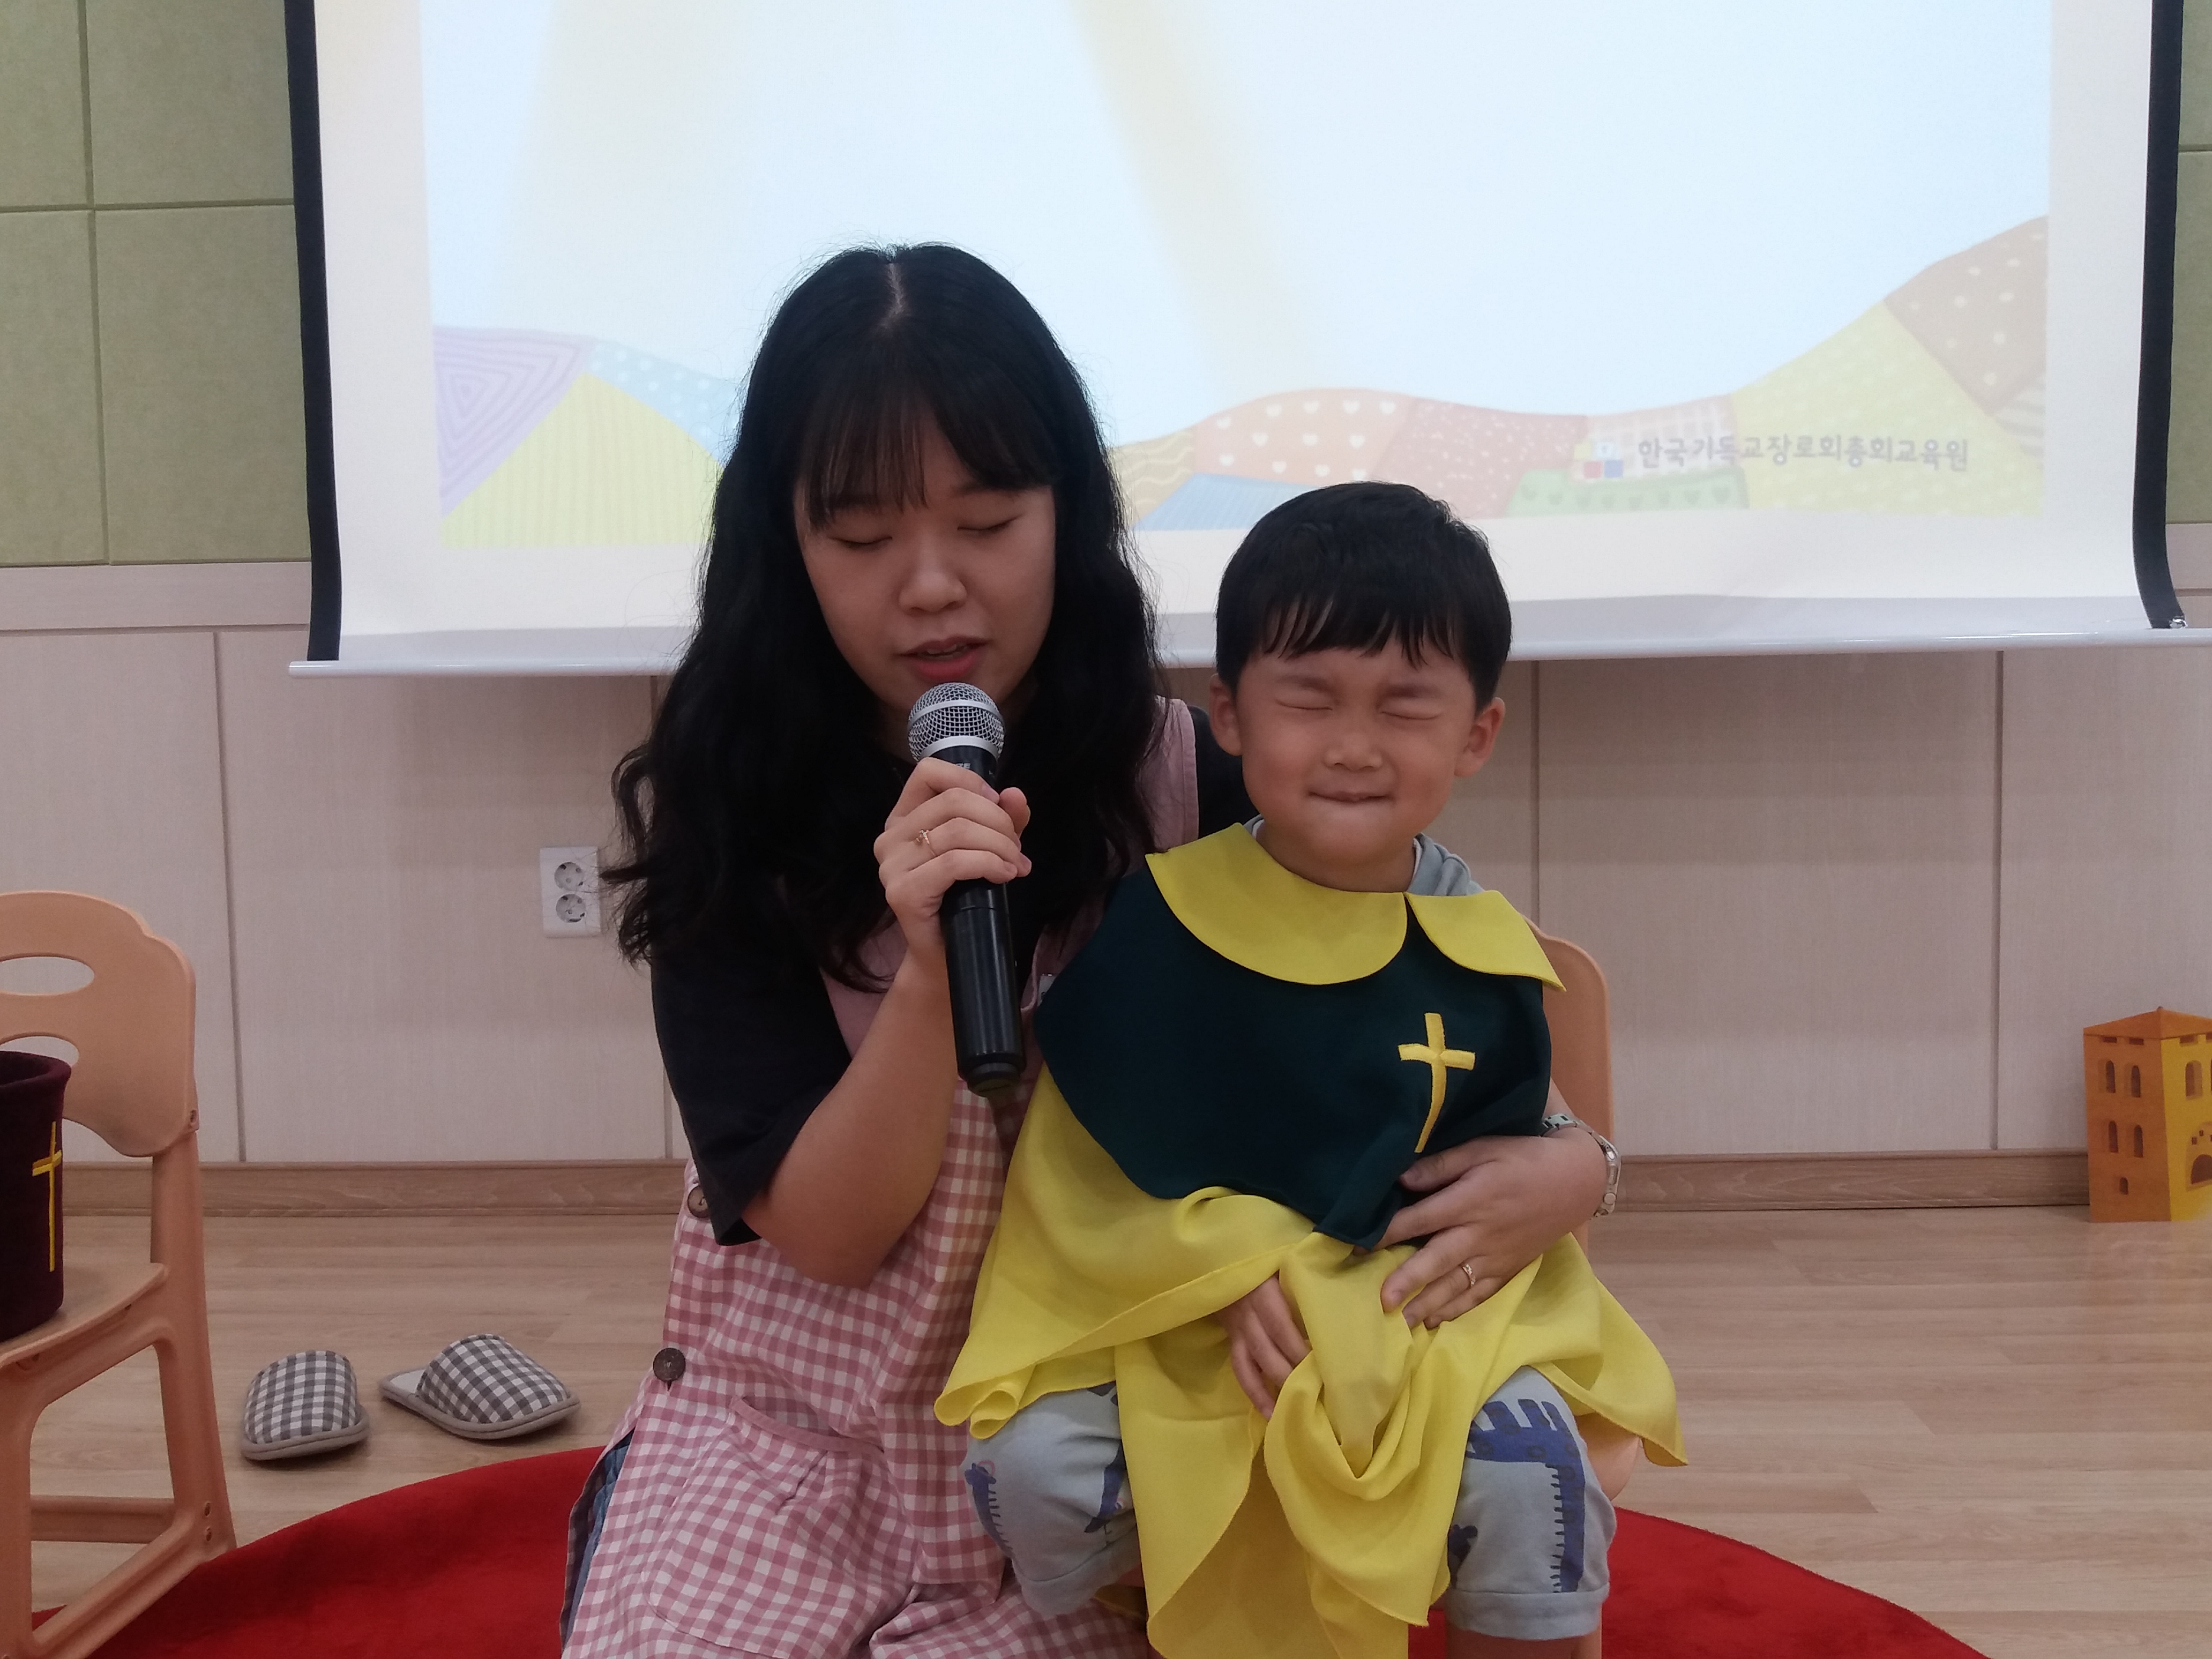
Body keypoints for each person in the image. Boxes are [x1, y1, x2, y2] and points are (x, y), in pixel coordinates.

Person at [561, 244, 1616, 1658]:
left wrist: (1579, 1164)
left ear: (1067, 514)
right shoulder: (729, 819)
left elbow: (1441, 1019)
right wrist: (932, 970)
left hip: (1116, 1411)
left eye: (988, 521)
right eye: (861, 539)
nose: (932, 586)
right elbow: (831, 1236)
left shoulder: (1195, 782)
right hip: (801, 1434)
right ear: (783, 546)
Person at [938, 483, 1681, 1659]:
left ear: (1477, 733)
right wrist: (1225, 1272)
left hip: (1423, 1314)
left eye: (1405, 704)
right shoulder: (1164, 921)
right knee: (1030, 1468)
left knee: (1531, 1470)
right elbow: (1082, 1170)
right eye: (1310, 697)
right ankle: (1179, 1613)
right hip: (1192, 1315)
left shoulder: (1481, 942)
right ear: (1230, 714)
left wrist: (1575, 1167)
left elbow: (1523, 1139)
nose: (1352, 745)